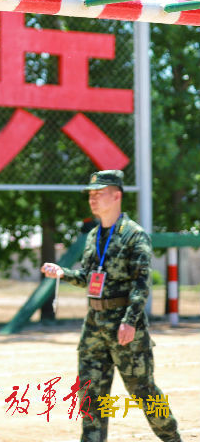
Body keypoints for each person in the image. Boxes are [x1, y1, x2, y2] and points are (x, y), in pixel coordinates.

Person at [41, 170, 182, 442]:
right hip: (94, 324)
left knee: (144, 391)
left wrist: (130, 321)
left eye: (99, 193)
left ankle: (172, 439)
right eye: (90, 194)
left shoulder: (134, 235)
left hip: (124, 326)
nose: (92, 199)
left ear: (117, 196)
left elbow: (142, 283)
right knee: (90, 394)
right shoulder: (94, 235)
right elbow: (90, 277)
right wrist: (63, 273)